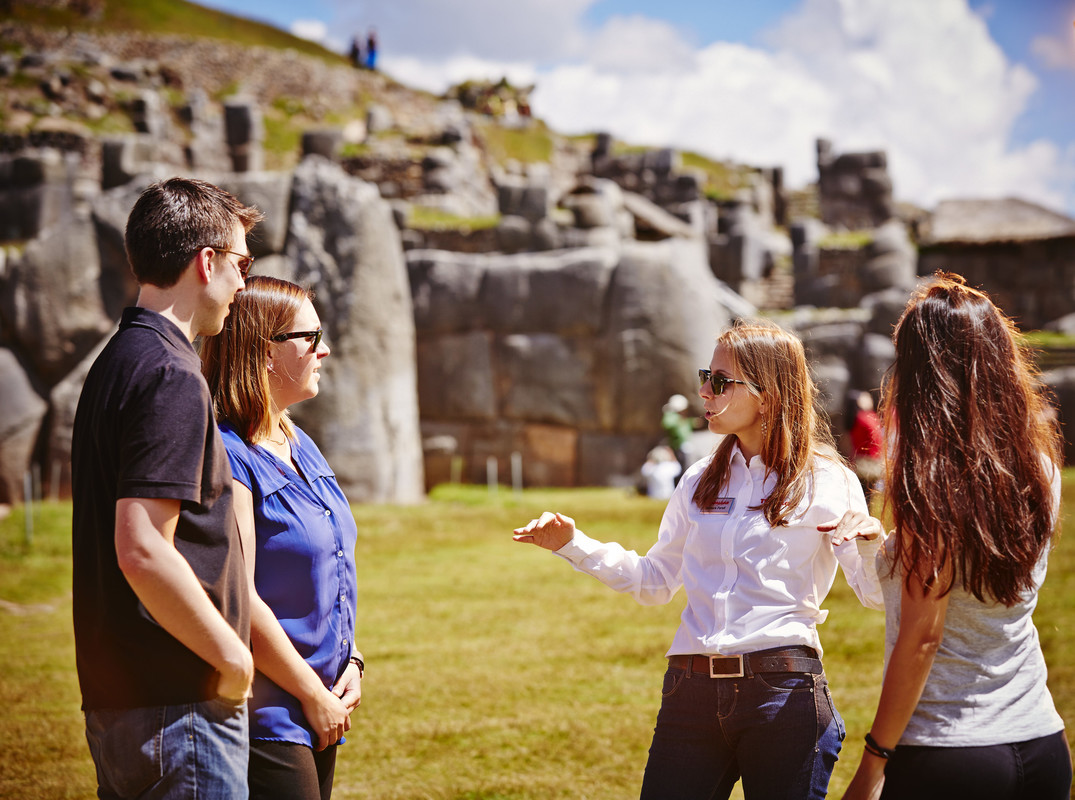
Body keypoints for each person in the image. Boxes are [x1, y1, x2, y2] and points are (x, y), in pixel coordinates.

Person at [514, 319, 886, 799]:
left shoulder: (828, 480)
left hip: (783, 695)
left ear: (768, 392)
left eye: (720, 381)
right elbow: (655, 582)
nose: (704, 392)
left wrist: (874, 541)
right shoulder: (698, 478)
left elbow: (876, 594)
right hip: (688, 694)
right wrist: (572, 544)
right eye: (704, 376)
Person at [842, 273, 1072, 800]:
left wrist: (873, 763)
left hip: (951, 752)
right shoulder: (1039, 466)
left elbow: (923, 636)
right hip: (1040, 743)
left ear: (920, 372)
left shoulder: (934, 480)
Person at [71, 177, 263, 798]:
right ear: (205, 262)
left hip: (124, 707)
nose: (242, 283)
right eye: (240, 263)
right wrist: (232, 659)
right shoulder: (171, 374)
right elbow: (143, 548)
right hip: (179, 712)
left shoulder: (118, 360)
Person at [200, 276, 362, 800]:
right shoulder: (230, 455)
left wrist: (353, 659)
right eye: (310, 338)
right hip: (271, 715)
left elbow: (333, 562)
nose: (325, 349)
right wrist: (313, 694)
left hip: (323, 703)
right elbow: (238, 596)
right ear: (264, 352)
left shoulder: (299, 439)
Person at [845, 389, 883, 505]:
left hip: (860, 461)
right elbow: (877, 437)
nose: (869, 399)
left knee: (863, 496)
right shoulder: (865, 418)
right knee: (867, 497)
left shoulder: (858, 417)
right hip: (869, 464)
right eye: (865, 397)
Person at [660, 393, 693, 484]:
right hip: (677, 446)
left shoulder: (681, 419)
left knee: (685, 467)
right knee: (678, 469)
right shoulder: (672, 417)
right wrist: (669, 413)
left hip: (684, 445)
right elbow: (666, 424)